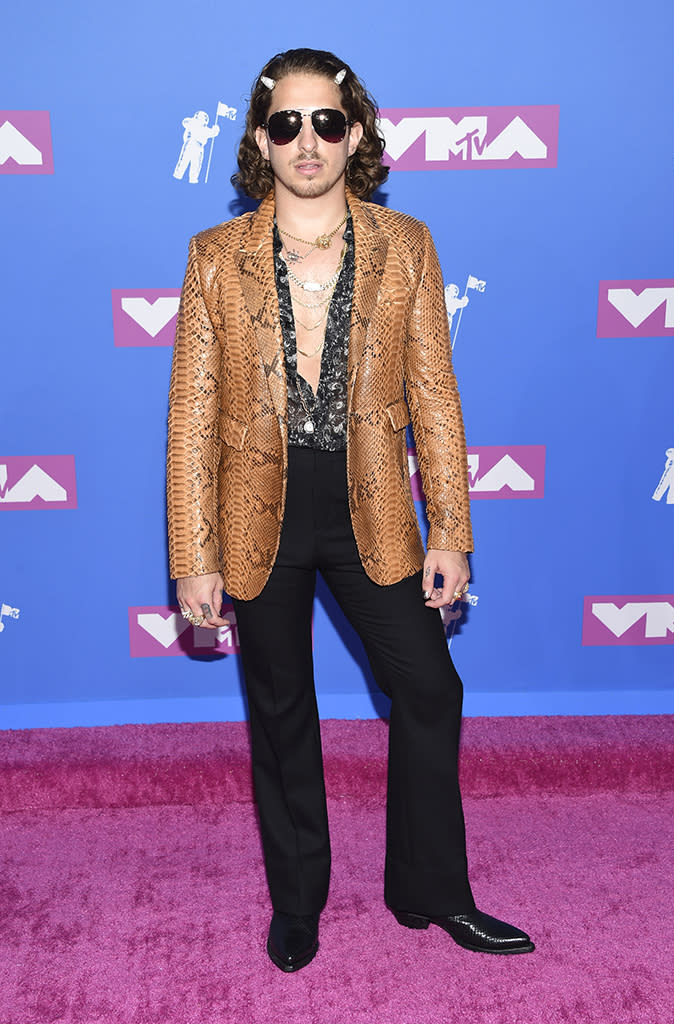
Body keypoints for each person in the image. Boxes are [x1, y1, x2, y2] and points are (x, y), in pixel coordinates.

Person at [166, 47, 534, 972]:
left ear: (354, 134)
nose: (306, 141)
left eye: (325, 122)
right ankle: (298, 905)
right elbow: (191, 419)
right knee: (280, 710)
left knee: (429, 687)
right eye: (285, 123)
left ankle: (430, 890)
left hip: (370, 505)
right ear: (260, 138)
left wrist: (450, 528)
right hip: (258, 512)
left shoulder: (405, 244)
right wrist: (192, 554)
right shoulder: (216, 258)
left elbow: (435, 398)